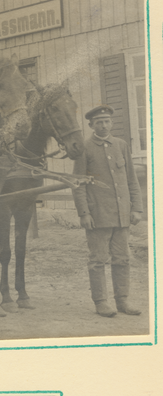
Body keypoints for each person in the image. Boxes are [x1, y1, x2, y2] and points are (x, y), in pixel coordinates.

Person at [72, 105, 143, 317]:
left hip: (122, 215)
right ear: (91, 125)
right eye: (99, 122)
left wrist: (137, 208)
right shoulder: (84, 148)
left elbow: (131, 180)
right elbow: (78, 183)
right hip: (98, 216)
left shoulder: (120, 145)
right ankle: (101, 302)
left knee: (122, 259)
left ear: (111, 123)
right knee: (98, 260)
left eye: (107, 121)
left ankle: (122, 300)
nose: (104, 125)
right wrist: (84, 213)